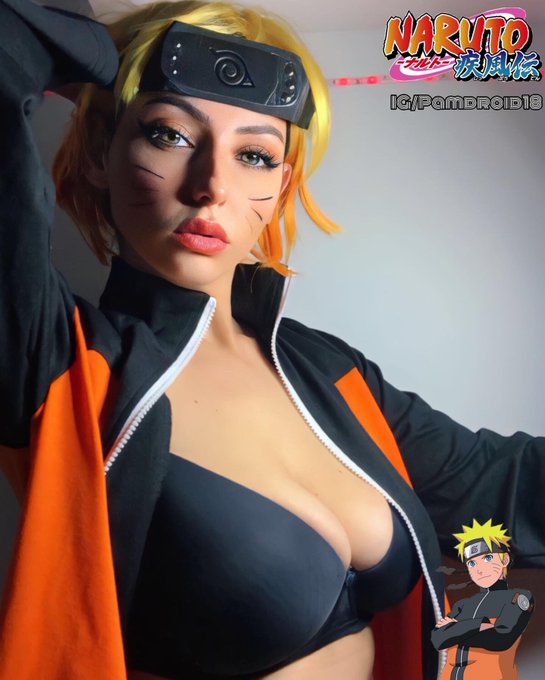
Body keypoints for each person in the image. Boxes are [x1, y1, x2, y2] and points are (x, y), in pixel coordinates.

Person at [0, 1, 543, 679]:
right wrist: (102, 50)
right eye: (169, 135)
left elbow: (501, 482)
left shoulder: (323, 369)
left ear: (281, 186)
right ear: (99, 154)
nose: (212, 187)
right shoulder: (59, 360)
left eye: (253, 155)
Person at [431, 519, 534, 679]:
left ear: (504, 560)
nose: (479, 569)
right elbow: (438, 639)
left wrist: (454, 629)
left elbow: (501, 639)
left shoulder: (518, 598)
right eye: (472, 563)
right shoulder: (463, 605)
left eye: (487, 558)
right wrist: (480, 624)